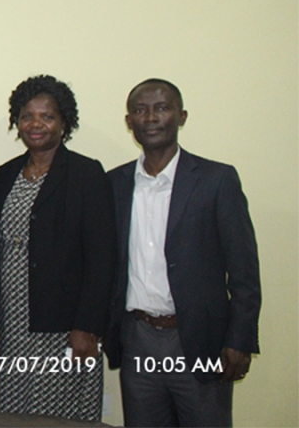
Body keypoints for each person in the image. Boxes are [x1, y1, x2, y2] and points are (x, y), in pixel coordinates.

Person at [105, 79, 261, 427]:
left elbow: (244, 270)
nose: (150, 118)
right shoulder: (115, 184)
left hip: (199, 340)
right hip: (138, 339)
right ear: (129, 121)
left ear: (182, 116)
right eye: (140, 110)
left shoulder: (216, 180)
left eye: (161, 108)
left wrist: (240, 339)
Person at [0, 75, 115, 422]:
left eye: (47, 116)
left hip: (65, 324)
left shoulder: (86, 174)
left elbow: (102, 258)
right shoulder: (4, 175)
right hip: (13, 321)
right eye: (27, 116)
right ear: (17, 122)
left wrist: (87, 327)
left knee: (63, 414)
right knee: (16, 412)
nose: (36, 124)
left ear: (64, 123)